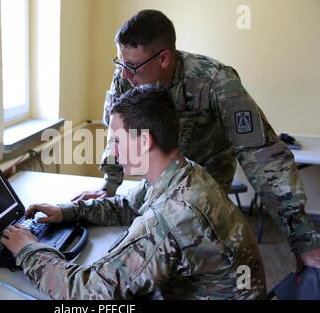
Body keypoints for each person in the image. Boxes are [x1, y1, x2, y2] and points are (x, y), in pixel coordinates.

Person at [72, 9, 320, 269]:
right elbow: (117, 133)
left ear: (164, 59)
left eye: (132, 66)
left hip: (207, 184)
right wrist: (109, 185)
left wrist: (302, 239)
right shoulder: (128, 76)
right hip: (160, 182)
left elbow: (261, 154)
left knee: (196, 259)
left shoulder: (215, 81)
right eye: (121, 63)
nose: (124, 75)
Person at [1, 84, 266, 300]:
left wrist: (28, 249)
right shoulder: (185, 172)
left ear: (144, 141)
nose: (113, 152)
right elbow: (126, 206)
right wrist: (66, 212)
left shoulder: (172, 215)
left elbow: (88, 293)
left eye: (116, 140)